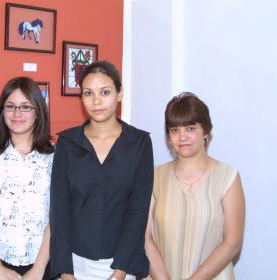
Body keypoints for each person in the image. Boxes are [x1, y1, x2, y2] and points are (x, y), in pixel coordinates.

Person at [50, 60, 153, 280]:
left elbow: (138, 210)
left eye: (105, 92)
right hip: (75, 263)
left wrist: (120, 271)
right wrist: (66, 271)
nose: (96, 101)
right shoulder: (67, 143)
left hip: (122, 264)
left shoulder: (139, 143)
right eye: (88, 93)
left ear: (119, 93)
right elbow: (59, 210)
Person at [144, 92, 245, 280]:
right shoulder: (153, 177)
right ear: (168, 136)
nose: (182, 137)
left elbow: (232, 242)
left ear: (205, 132)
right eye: (174, 130)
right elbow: (145, 239)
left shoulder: (228, 177)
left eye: (190, 128)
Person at [0, 77, 54, 280]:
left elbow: (57, 217)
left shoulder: (55, 156)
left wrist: (39, 268)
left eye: (26, 107)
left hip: (43, 264)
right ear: (2, 112)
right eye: (11, 106)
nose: (17, 113)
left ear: (38, 112)